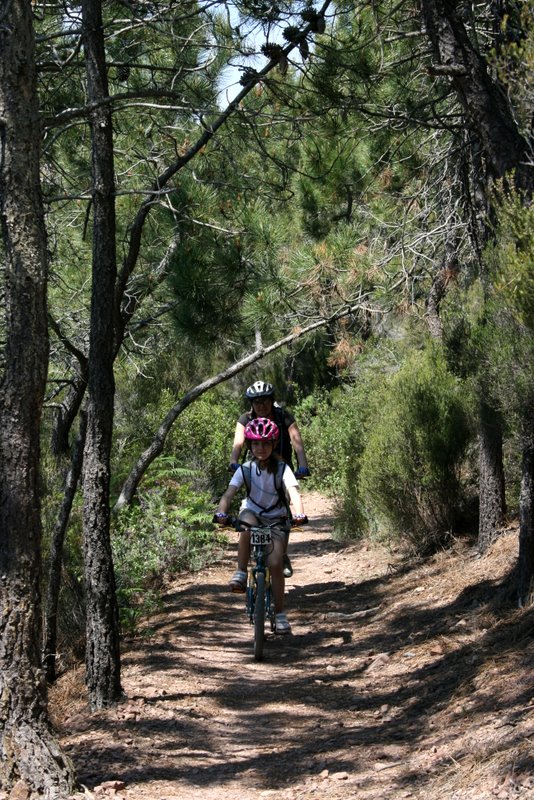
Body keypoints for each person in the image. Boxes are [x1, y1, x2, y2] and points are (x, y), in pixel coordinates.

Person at [214, 417, 307, 635]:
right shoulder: (244, 469)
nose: (260, 448)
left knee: (275, 564)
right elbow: (229, 493)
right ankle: (239, 572)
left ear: (273, 444)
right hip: (253, 514)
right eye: (256, 443)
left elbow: (293, 493)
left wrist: (299, 513)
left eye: (266, 443)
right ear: (249, 445)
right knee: (246, 523)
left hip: (276, 518)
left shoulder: (283, 468)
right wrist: (221, 512)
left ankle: (280, 613)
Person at [228, 380, 310, 578]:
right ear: (251, 404)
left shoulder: (283, 416)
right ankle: (246, 561)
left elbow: (297, 442)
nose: (261, 406)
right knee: (250, 510)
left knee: (283, 511)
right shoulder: (245, 418)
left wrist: (302, 465)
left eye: (265, 401)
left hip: (281, 467)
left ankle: (281, 554)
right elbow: (239, 442)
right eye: (256, 402)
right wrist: (233, 460)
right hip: (255, 466)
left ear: (271, 401)